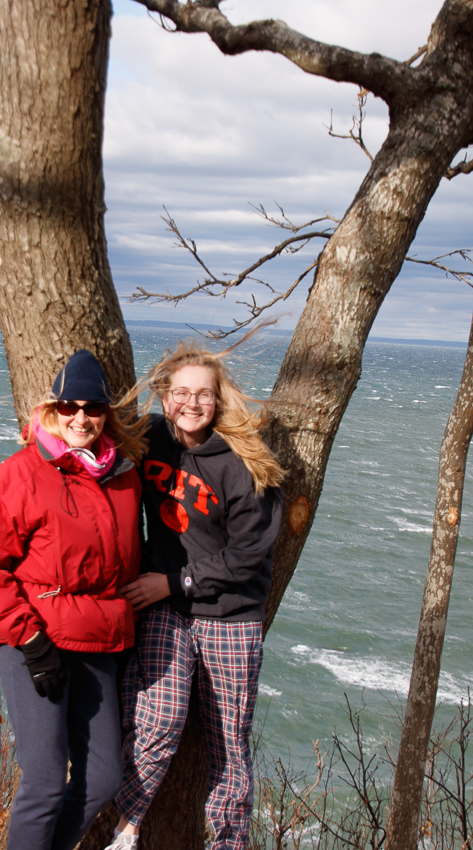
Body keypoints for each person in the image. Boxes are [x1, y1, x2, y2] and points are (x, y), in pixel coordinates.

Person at [0, 349, 147, 850]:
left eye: (93, 408)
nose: (81, 417)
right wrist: (30, 640)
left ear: (106, 414)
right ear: (51, 410)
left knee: (104, 779)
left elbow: (129, 557)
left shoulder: (125, 476)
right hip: (35, 643)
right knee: (43, 784)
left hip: (101, 642)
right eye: (70, 407)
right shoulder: (16, 475)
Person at [109, 340, 284, 850]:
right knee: (156, 716)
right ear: (164, 398)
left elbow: (247, 556)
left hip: (228, 613)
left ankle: (228, 842)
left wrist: (176, 581)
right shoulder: (150, 438)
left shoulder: (244, 463)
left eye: (202, 394)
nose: (191, 403)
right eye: (180, 393)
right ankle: (126, 827)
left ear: (219, 400)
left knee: (228, 742)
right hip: (166, 610)